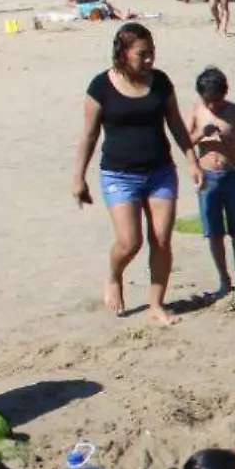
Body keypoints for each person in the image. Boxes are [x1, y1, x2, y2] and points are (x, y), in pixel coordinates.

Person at [72, 23, 200, 324]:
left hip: (160, 172)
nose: (149, 60)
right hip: (119, 175)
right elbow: (89, 136)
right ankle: (114, 276)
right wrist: (78, 177)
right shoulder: (100, 87)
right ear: (123, 54)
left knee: (162, 239)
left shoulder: (161, 82)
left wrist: (192, 160)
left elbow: (177, 124)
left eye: (152, 53)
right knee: (130, 242)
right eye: (142, 54)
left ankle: (156, 304)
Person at [187, 66, 235, 297]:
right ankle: (223, 277)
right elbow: (185, 142)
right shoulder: (197, 111)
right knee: (213, 230)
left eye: (216, 101)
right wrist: (201, 134)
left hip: (232, 174)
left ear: (224, 94)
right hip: (208, 177)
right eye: (208, 101)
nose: (212, 106)